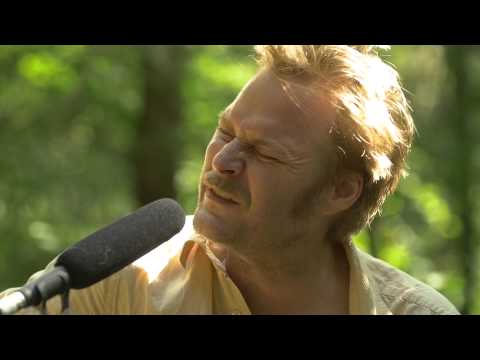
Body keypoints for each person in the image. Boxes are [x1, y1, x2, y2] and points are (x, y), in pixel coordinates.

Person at [0, 45, 459, 315]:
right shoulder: (120, 280)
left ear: (339, 191)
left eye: (263, 152)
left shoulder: (417, 312)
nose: (223, 160)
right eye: (226, 131)